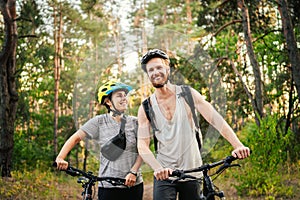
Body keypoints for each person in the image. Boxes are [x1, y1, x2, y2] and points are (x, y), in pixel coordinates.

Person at [137, 49, 251, 200]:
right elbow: (142, 144)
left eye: (159, 67)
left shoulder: (187, 94)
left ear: (167, 69)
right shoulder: (146, 107)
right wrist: (158, 168)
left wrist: (237, 145)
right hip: (164, 175)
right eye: (150, 70)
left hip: (193, 171)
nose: (155, 72)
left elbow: (215, 119)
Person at [55, 80, 143, 200]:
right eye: (119, 96)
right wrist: (60, 158)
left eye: (124, 95)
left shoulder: (135, 122)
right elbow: (75, 138)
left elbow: (143, 150)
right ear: (108, 102)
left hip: (133, 185)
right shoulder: (99, 121)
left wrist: (134, 172)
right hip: (107, 186)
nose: (124, 98)